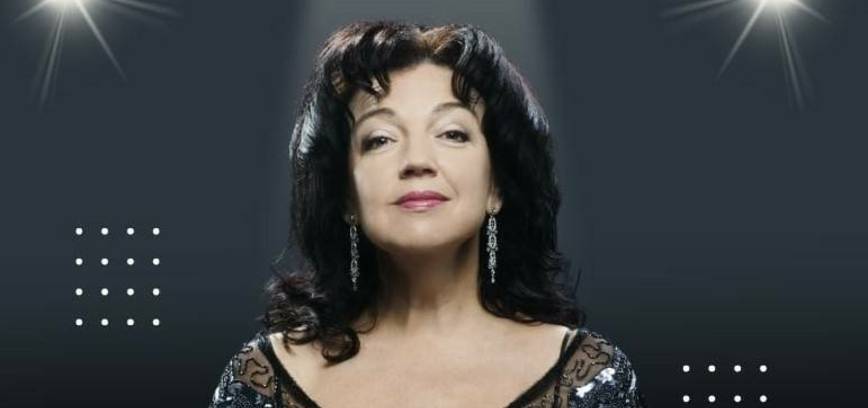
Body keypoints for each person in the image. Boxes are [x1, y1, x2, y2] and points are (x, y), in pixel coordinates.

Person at [209, 20, 648, 408]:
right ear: (345, 197)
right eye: (380, 139)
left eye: (452, 133)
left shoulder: (587, 380)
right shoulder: (264, 379)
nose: (417, 160)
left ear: (496, 186)